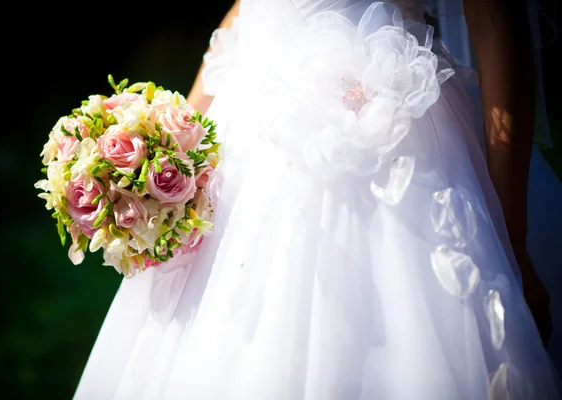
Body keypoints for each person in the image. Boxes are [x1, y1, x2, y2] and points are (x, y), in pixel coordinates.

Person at [74, 0, 562, 398]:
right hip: (244, 133)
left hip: (388, 137)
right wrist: (166, 140)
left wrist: (510, 237)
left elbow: (496, 19)